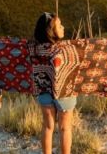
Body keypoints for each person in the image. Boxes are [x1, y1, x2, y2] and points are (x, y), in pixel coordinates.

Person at [33, 12, 76, 154]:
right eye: (59, 25)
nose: (63, 27)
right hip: (65, 92)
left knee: (47, 126)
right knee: (65, 128)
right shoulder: (66, 49)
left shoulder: (34, 49)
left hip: (44, 91)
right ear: (51, 31)